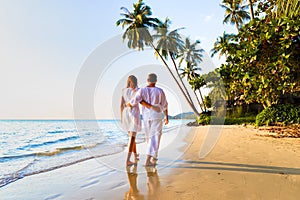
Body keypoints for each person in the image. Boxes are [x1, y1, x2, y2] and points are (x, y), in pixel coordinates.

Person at [128, 73, 168, 166]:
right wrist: (166, 116)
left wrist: (128, 105)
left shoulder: (142, 90)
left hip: (146, 117)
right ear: (156, 81)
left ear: (148, 80)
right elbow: (165, 105)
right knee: (155, 137)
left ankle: (153, 156)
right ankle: (148, 160)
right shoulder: (160, 91)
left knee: (149, 138)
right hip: (157, 116)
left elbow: (134, 101)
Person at [120, 75, 154, 166]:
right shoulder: (138, 90)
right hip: (134, 113)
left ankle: (135, 156)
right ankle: (127, 160)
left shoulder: (124, 91)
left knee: (132, 137)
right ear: (135, 81)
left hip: (125, 114)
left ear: (128, 82)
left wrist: (121, 118)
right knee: (132, 138)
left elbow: (121, 105)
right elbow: (141, 102)